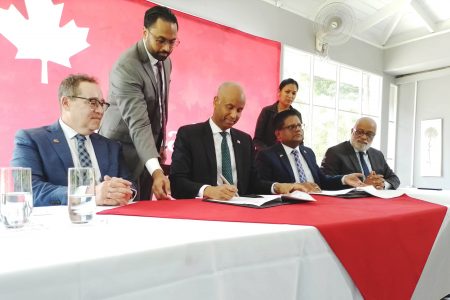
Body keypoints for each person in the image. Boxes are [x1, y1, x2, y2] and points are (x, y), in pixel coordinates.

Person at [169, 82, 318, 200]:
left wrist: (279, 187)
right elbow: (177, 182)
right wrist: (208, 190)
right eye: (230, 107)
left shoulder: (244, 140)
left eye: (239, 110)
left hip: (241, 210)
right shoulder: (189, 135)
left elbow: (254, 183)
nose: (234, 115)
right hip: (203, 212)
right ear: (216, 101)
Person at [11, 74, 134, 207]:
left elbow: (131, 185)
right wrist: (88, 193)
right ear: (66, 103)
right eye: (92, 102)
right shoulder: (31, 140)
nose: (100, 110)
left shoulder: (112, 146)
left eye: (102, 104)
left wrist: (123, 191)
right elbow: (27, 190)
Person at [99, 5, 178, 200]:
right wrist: (157, 170)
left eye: (172, 42)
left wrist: (159, 148)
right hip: (121, 150)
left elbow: (159, 104)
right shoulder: (127, 66)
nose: (167, 48)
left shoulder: (165, 61)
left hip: (148, 149)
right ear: (144, 32)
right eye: (161, 41)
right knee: (122, 209)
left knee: (144, 208)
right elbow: (138, 122)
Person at [256, 110, 363, 190]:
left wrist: (344, 179)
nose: (298, 129)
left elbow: (323, 181)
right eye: (291, 127)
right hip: (289, 207)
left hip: (316, 202)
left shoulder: (308, 152)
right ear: (278, 134)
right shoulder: (267, 155)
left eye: (299, 125)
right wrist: (292, 187)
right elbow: (260, 185)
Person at [321, 117, 400, 190]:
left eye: (369, 134)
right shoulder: (334, 152)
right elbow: (325, 182)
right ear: (352, 131)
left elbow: (394, 179)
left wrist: (382, 184)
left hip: (377, 200)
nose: (364, 137)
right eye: (359, 132)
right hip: (350, 201)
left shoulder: (378, 155)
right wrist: (362, 186)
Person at [253, 78, 302, 152]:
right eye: (287, 92)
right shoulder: (267, 111)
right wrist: (268, 154)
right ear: (279, 92)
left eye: (294, 93)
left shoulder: (297, 115)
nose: (290, 96)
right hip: (266, 155)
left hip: (288, 156)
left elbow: (299, 141)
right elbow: (257, 140)